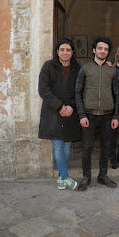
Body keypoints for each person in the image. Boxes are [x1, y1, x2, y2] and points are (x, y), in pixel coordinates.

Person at [75, 36, 119, 191]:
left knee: (106, 147)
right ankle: (86, 177)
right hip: (89, 114)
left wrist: (116, 116)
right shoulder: (85, 68)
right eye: (100, 48)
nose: (103, 51)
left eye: (106, 49)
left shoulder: (112, 70)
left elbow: (117, 94)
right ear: (94, 50)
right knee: (87, 147)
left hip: (107, 115)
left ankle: (103, 175)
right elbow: (78, 92)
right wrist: (81, 115)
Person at [38, 38, 81, 190]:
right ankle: (65, 176)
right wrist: (59, 106)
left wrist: (71, 107)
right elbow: (43, 90)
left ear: (72, 52)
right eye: (62, 49)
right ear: (57, 52)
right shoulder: (48, 66)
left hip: (70, 112)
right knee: (57, 145)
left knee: (67, 144)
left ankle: (61, 177)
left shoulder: (77, 68)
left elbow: (80, 90)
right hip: (53, 112)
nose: (65, 52)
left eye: (68, 50)